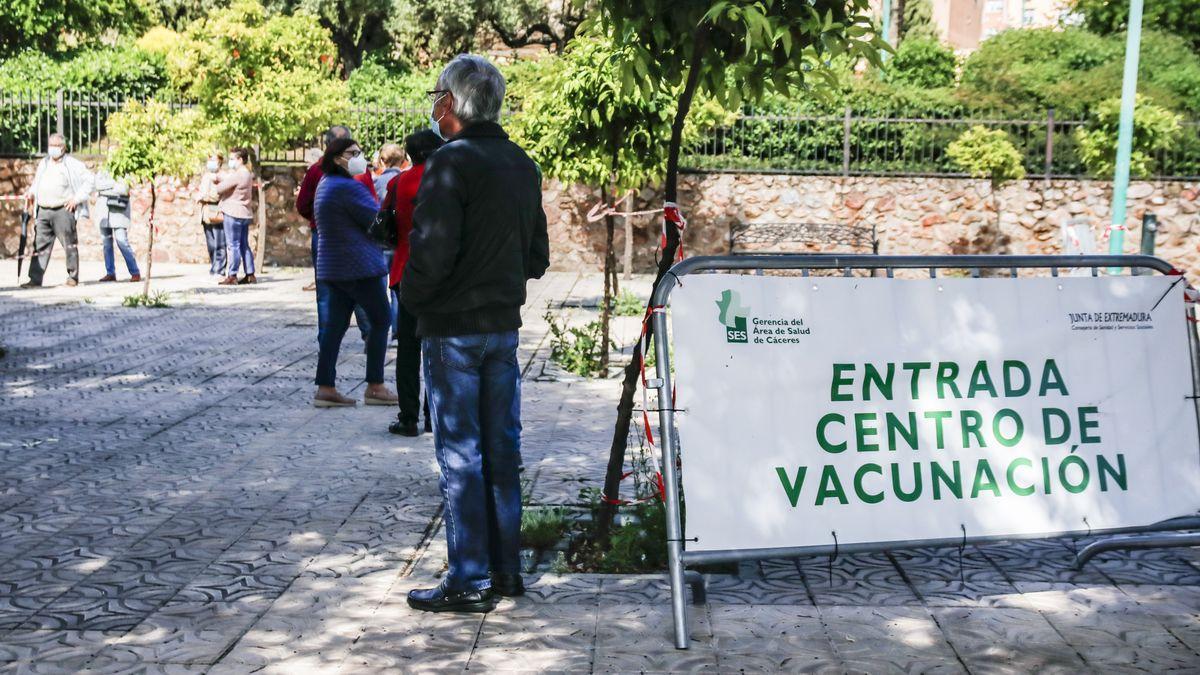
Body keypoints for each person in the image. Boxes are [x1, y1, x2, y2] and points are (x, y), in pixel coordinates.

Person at [402, 54, 550, 613]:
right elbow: (537, 257)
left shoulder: (449, 164)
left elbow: (431, 255)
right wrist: (498, 273)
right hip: (501, 330)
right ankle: (506, 571)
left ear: (450, 103)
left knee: (461, 454)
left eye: (437, 96)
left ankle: (467, 579)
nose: (434, 107)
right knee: (501, 451)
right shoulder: (521, 164)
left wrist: (413, 303)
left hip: (453, 333)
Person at [312, 137, 398, 408]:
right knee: (382, 321)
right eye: (353, 153)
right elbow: (376, 221)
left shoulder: (325, 184)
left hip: (333, 266)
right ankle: (375, 385)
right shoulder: (349, 187)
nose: (360, 157)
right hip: (360, 266)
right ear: (337, 157)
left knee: (334, 328)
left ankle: (325, 387)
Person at [386, 131, 442, 437]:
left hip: (403, 270)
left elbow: (388, 223)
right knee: (436, 347)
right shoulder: (445, 181)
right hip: (437, 273)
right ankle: (434, 415)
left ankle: (408, 418)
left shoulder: (398, 182)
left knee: (407, 349)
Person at [297, 126, 371, 341]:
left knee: (326, 289)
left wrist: (318, 217)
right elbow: (372, 204)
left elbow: (303, 205)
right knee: (359, 285)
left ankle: (327, 338)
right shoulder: (361, 172)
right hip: (355, 237)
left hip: (324, 236)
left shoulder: (317, 171)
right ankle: (370, 335)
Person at [22, 133, 93, 288]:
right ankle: (35, 279)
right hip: (43, 210)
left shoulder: (72, 164)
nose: (52, 148)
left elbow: (90, 180)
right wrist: (32, 192)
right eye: (50, 145)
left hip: (63, 210)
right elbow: (37, 183)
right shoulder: (44, 163)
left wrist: (76, 199)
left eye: (56, 145)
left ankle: (72, 277)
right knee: (39, 246)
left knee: (69, 244)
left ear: (63, 147)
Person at [213, 148, 256, 285]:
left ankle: (232, 275)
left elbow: (219, 189)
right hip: (245, 213)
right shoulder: (248, 174)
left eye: (232, 159)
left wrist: (219, 181)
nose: (230, 162)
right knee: (244, 244)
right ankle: (250, 273)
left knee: (233, 245)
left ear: (240, 160)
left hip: (233, 212)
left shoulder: (238, 174)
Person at [93, 172, 140, 282]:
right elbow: (97, 186)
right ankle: (110, 273)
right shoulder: (102, 170)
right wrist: (114, 183)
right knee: (106, 244)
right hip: (103, 212)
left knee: (122, 241)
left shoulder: (124, 170)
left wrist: (105, 189)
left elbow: (123, 189)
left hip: (119, 212)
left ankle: (135, 272)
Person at [197, 153, 228, 277]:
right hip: (205, 212)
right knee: (210, 243)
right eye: (209, 159)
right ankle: (214, 266)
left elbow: (216, 194)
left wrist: (203, 197)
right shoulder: (206, 176)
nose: (210, 162)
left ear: (220, 162)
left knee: (219, 242)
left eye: (213, 160)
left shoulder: (222, 176)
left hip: (216, 210)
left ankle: (220, 269)